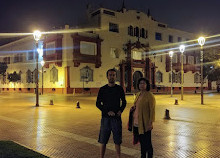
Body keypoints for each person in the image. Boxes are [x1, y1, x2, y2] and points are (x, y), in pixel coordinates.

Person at [96, 68, 127, 158]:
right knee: (103, 140)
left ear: (116, 77)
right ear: (107, 76)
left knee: (117, 140)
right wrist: (106, 112)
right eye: (110, 75)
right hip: (105, 118)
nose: (112, 77)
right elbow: (98, 103)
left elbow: (124, 102)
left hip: (116, 119)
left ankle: (118, 156)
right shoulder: (102, 89)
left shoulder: (119, 89)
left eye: (113, 75)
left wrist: (120, 110)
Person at [130, 78, 155, 158]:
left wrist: (150, 123)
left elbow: (152, 110)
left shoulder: (150, 95)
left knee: (147, 143)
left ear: (147, 85)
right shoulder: (138, 94)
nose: (142, 85)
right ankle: (143, 156)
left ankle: (150, 156)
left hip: (145, 123)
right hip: (137, 122)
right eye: (140, 83)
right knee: (142, 142)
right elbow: (136, 106)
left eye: (144, 83)